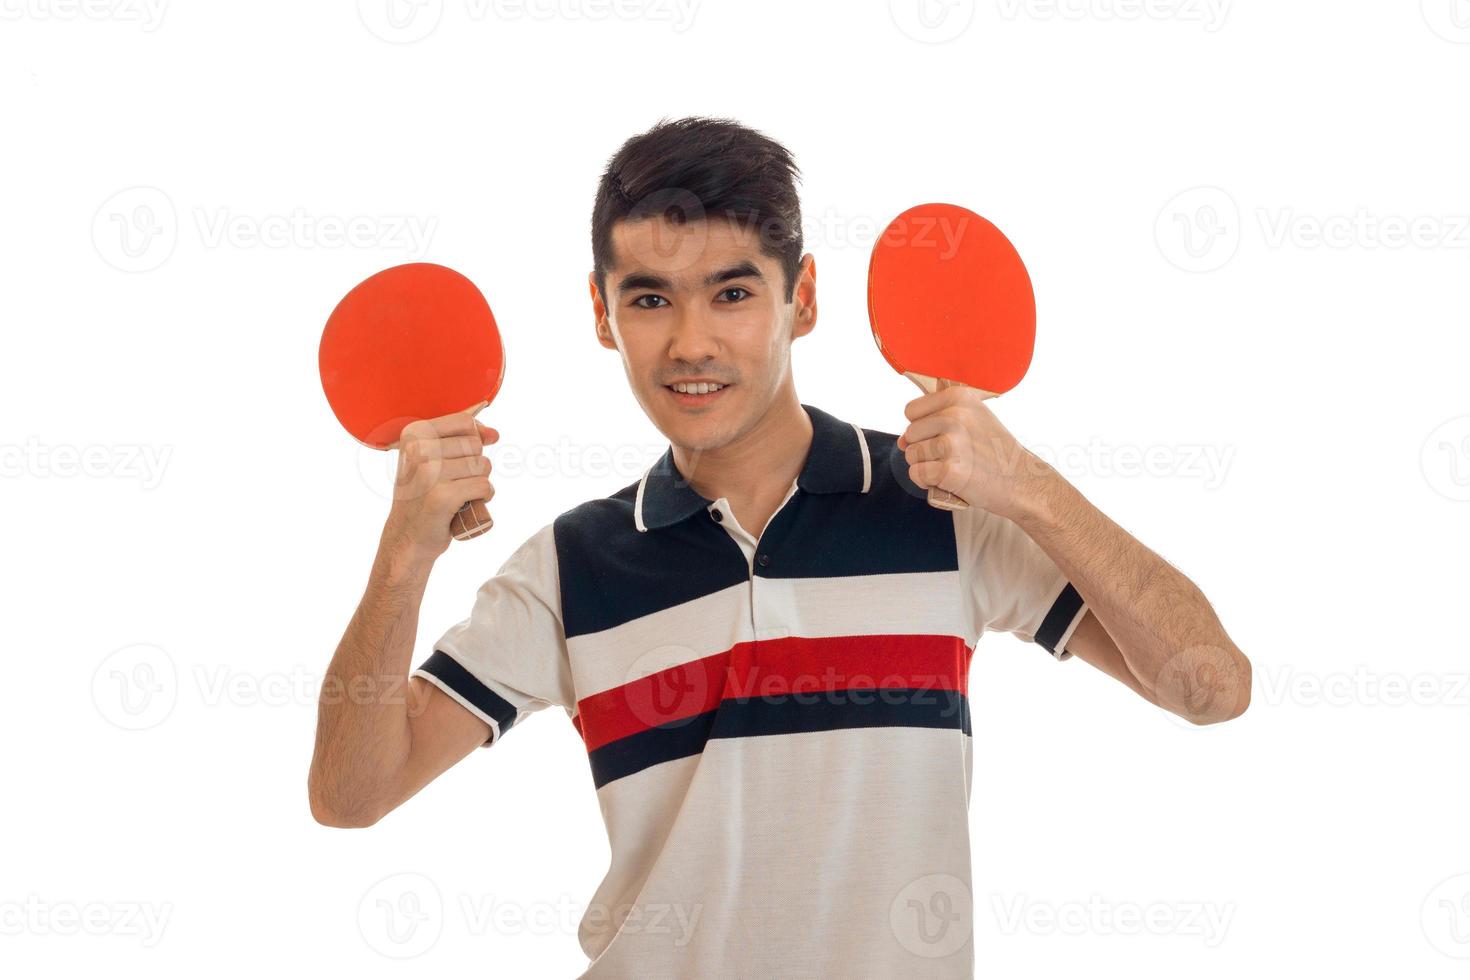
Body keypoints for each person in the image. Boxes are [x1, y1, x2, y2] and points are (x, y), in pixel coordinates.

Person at [307, 116, 1252, 978]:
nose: (690, 343)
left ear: (802, 300)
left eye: (732, 293)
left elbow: (1211, 686)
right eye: (649, 300)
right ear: (602, 315)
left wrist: (1031, 489)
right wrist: (404, 556)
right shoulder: (570, 568)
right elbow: (350, 796)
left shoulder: (946, 511)